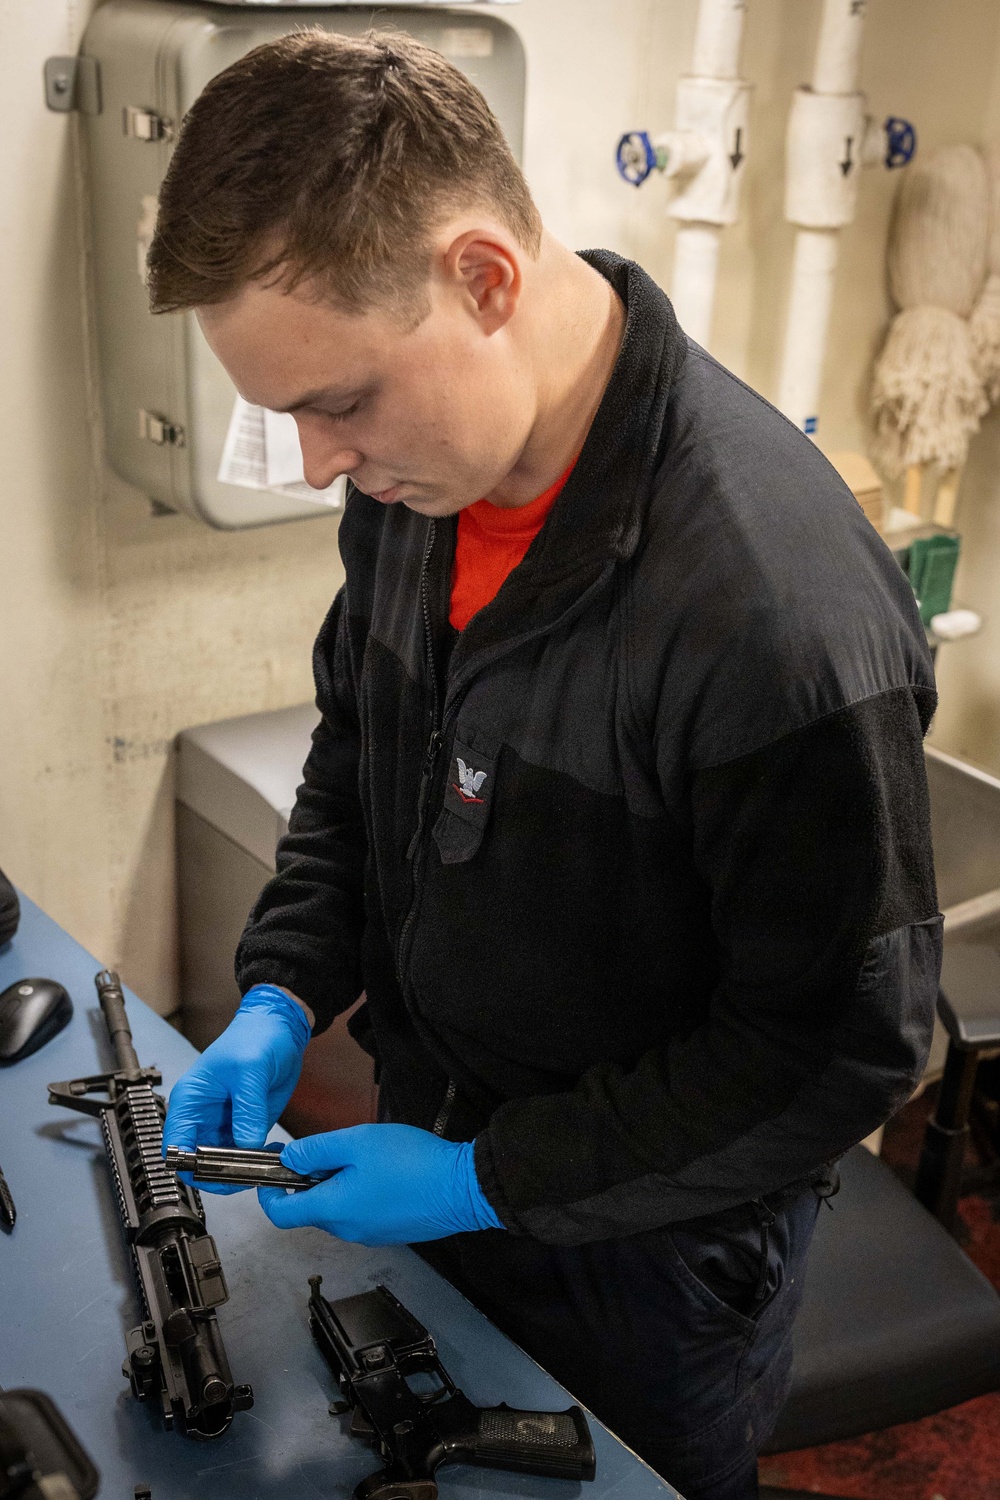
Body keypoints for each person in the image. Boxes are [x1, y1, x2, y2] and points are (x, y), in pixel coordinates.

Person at [153, 29, 941, 1500]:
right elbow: (358, 755)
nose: (322, 462)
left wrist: (485, 1181)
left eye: (337, 401)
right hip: (440, 1135)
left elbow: (839, 1050)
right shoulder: (422, 482)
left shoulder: (773, 609)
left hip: (655, 1270)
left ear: (485, 280)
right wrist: (279, 989)